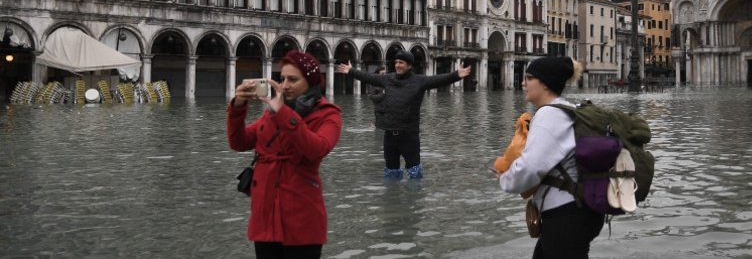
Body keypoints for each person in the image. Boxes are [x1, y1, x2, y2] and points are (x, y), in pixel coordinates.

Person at [227, 50, 342, 259]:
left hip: (302, 215)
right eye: (282, 78)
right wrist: (238, 106)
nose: (285, 85)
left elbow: (317, 149)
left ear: (310, 81)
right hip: (265, 212)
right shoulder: (270, 112)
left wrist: (282, 113)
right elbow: (238, 142)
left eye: (293, 79)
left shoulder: (328, 114)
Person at [498, 56, 604, 259]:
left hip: (565, 216)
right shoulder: (568, 109)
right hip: (581, 212)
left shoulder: (548, 115)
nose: (523, 83)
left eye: (529, 78)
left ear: (545, 83)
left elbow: (531, 168)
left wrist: (506, 178)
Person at [336, 50, 471, 179]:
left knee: (415, 174)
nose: (397, 65)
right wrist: (351, 71)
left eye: (401, 62)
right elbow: (369, 77)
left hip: (409, 136)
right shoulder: (388, 79)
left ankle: (414, 200)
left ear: (409, 65)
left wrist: (456, 74)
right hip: (389, 136)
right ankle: (393, 198)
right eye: (396, 62)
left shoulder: (419, 81)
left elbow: (439, 80)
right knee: (391, 172)